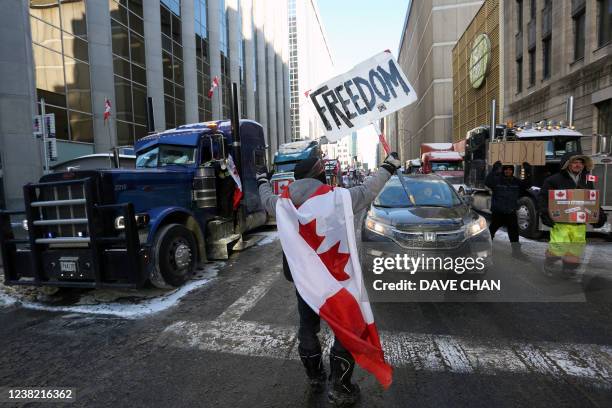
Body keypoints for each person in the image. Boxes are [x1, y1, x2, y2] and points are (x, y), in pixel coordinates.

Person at [256, 153, 401, 405]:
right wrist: (388, 167)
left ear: (296, 178)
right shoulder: (336, 198)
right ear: (321, 174)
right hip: (336, 282)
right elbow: (368, 190)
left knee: (307, 325)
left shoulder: (283, 203)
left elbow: (265, 198)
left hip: (305, 282)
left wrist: (261, 179)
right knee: (346, 328)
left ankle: (315, 377)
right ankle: (340, 386)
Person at [538, 153, 607, 276]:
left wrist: (599, 214)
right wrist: (544, 213)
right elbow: (543, 198)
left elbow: (591, 200)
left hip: (579, 223)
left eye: (580, 163)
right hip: (561, 223)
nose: (578, 165)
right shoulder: (553, 180)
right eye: (574, 162)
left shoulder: (586, 180)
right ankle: (549, 263)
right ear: (567, 164)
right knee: (558, 247)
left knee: (576, 248)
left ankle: (568, 268)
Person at [485, 161, 529, 259]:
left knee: (514, 233)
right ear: (503, 170)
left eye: (510, 169)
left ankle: (516, 252)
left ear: (512, 171)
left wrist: (528, 172)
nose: (508, 171)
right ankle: (486, 248)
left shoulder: (516, 181)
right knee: (491, 231)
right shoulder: (497, 180)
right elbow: (487, 182)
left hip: (511, 211)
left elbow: (527, 185)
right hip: (498, 212)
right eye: (506, 169)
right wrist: (494, 170)